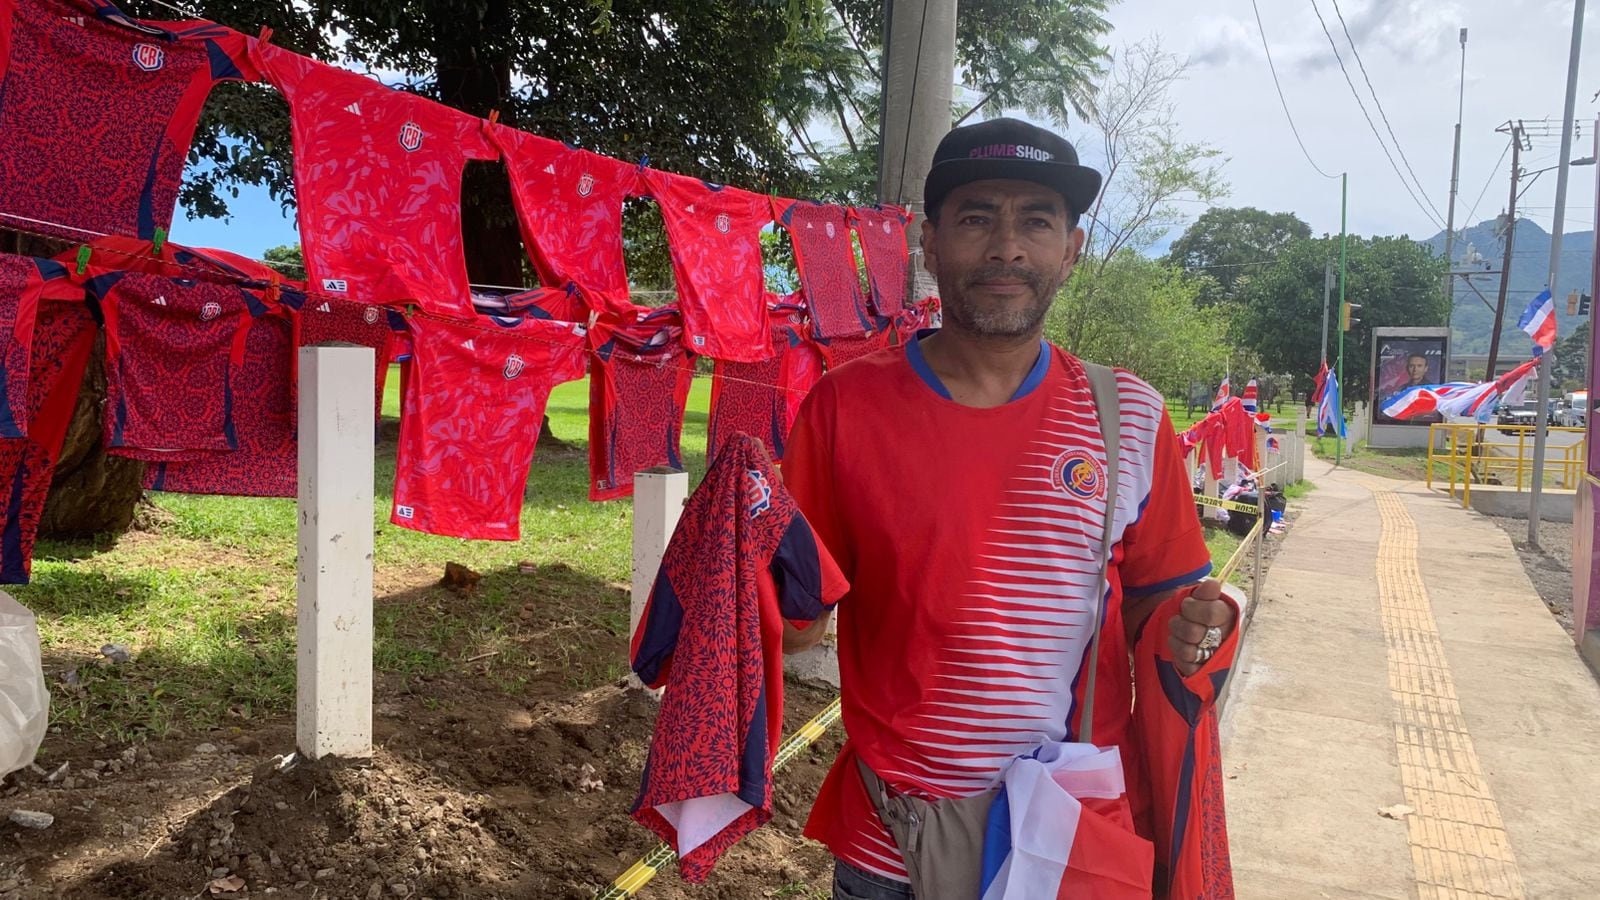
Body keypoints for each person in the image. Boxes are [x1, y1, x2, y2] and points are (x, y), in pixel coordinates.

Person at [781, 117, 1238, 899]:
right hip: (893, 846)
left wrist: (1201, 624)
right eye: (975, 217)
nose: (1006, 247)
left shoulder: (1128, 415)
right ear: (929, 244)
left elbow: (1164, 613)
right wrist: (736, 568)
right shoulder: (841, 410)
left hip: (1069, 845)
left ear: (1072, 247)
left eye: (1036, 219)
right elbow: (798, 628)